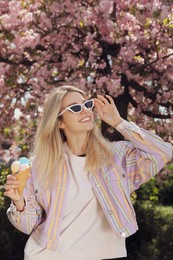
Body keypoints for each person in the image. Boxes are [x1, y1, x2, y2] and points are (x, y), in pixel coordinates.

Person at [4, 85, 172, 260]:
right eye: (75, 108)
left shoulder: (117, 156)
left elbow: (163, 152)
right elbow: (29, 225)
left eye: (87, 104)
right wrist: (19, 202)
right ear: (59, 122)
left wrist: (118, 122)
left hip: (109, 254)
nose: (85, 110)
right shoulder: (41, 165)